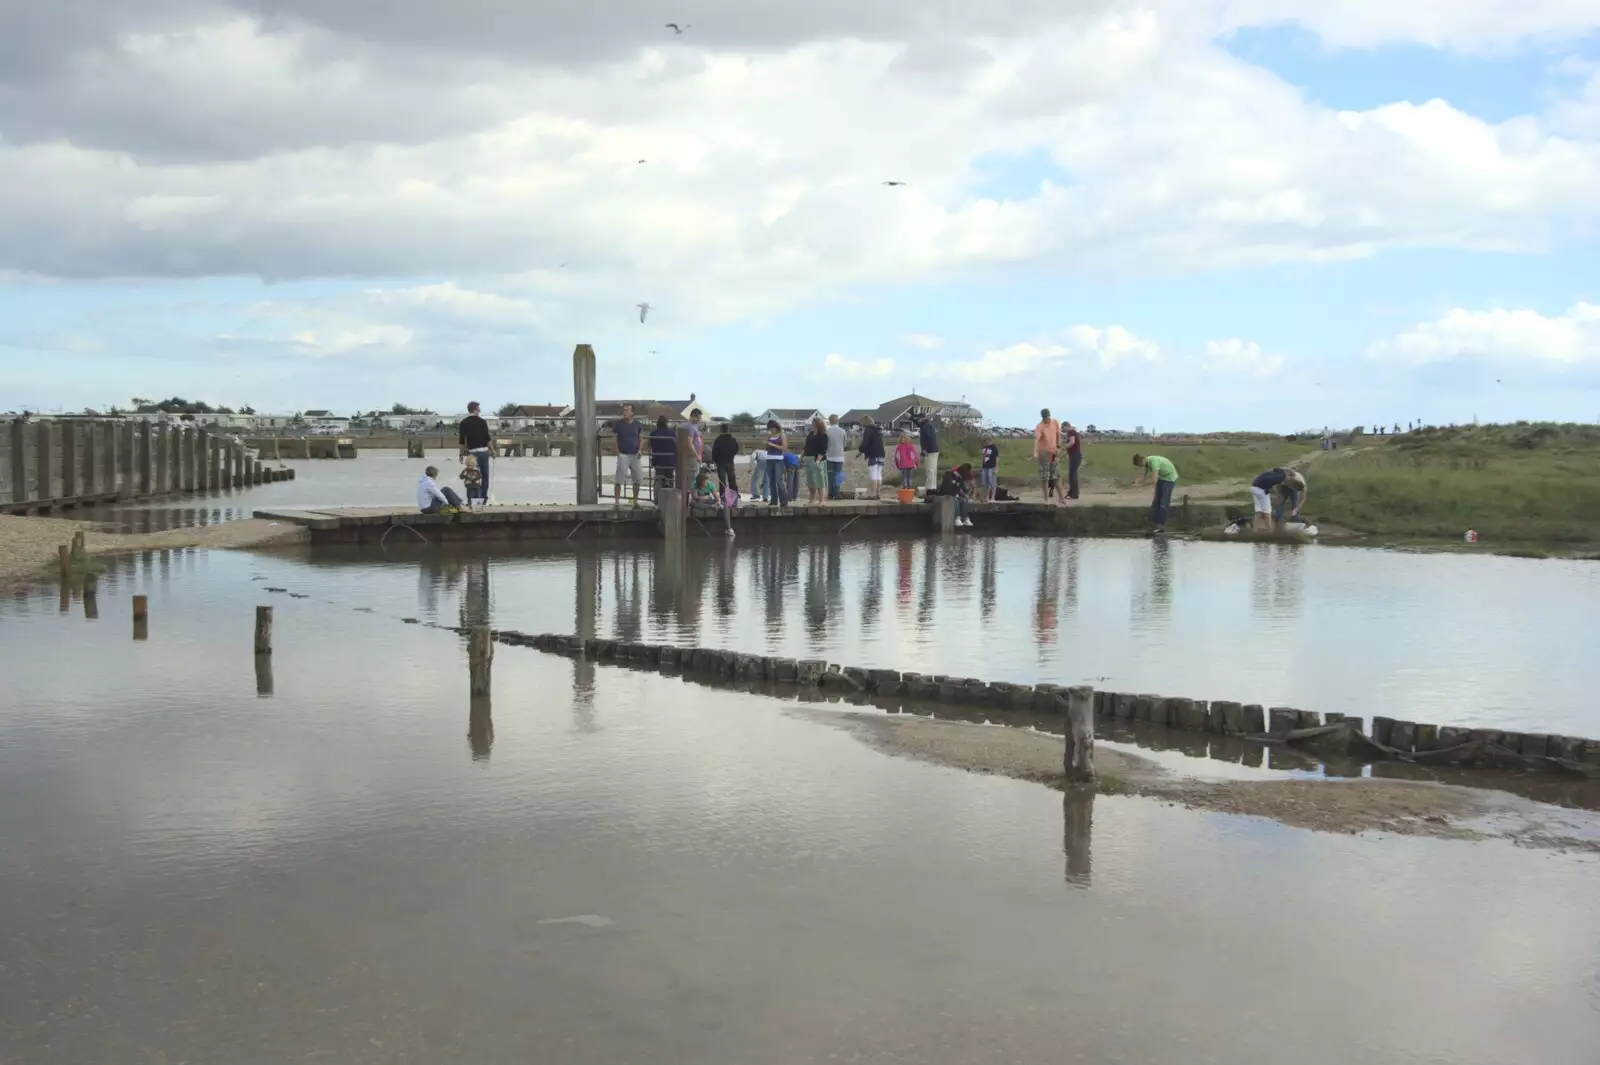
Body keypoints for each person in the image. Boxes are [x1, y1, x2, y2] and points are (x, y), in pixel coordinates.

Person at [457, 401, 496, 507]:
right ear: (474, 409)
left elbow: (461, 441)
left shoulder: (463, 423)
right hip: (483, 452)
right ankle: (482, 500)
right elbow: (487, 439)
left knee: (472, 477)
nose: (480, 411)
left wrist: (460, 454)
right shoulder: (482, 422)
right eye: (479, 409)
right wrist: (492, 451)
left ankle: (472, 501)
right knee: (484, 477)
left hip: (472, 454)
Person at [1132, 453, 1179, 534]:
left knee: (1163, 504)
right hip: (1162, 477)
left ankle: (1161, 527)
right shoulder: (1147, 462)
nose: (1141, 467)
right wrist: (1137, 481)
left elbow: (1154, 481)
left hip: (1169, 478)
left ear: (1142, 460)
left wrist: (1141, 485)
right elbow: (1144, 476)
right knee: (1156, 502)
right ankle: (1154, 524)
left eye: (1140, 465)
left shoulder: (1154, 462)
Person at [609, 403, 643, 507]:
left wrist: (640, 450)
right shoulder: (618, 424)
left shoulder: (638, 424)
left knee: (637, 479)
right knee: (619, 479)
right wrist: (617, 451)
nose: (624, 412)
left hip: (635, 454)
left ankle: (635, 501)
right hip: (623, 454)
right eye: (624, 410)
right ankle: (617, 501)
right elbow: (615, 438)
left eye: (627, 410)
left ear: (632, 413)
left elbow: (641, 438)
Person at [692, 468, 736, 537]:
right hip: (700, 500)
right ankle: (713, 506)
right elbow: (694, 497)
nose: (706, 483)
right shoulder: (695, 484)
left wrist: (718, 502)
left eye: (706, 482)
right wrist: (701, 497)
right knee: (694, 504)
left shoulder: (710, 484)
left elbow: (716, 497)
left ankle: (729, 528)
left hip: (709, 500)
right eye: (704, 482)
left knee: (724, 505)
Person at [935, 462, 976, 527]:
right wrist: (955, 493)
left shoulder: (961, 478)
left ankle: (965, 518)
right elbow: (947, 487)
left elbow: (959, 488)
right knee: (955, 500)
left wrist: (965, 495)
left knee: (963, 501)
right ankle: (957, 518)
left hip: (953, 494)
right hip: (945, 494)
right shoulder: (949, 474)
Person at [1033, 408, 1059, 503]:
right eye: (1045, 418)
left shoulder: (1055, 423)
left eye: (1048, 417)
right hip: (1044, 453)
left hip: (1053, 452)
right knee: (1045, 476)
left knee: (1055, 474)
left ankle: (1060, 497)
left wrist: (1058, 446)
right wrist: (1035, 452)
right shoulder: (1040, 427)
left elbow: (1057, 434)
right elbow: (1036, 439)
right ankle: (1046, 498)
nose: (1047, 419)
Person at [802, 416, 829, 503]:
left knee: (820, 480)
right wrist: (801, 458)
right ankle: (812, 499)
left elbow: (823, 450)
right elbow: (805, 447)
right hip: (808, 458)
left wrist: (818, 460)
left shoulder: (823, 435)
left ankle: (822, 500)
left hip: (817, 459)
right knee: (810, 481)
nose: (812, 425)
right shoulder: (810, 434)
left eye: (814, 423)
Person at [858, 414, 886, 499]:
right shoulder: (878, 429)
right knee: (878, 474)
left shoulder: (869, 429)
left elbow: (866, 442)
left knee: (873, 474)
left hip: (873, 454)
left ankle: (872, 494)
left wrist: (860, 450)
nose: (861, 425)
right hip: (881, 454)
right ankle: (878, 494)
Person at [763, 420, 788, 506]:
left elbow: (784, 448)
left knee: (778, 480)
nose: (772, 430)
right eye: (770, 428)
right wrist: (766, 444)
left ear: (776, 427)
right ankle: (773, 500)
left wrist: (772, 445)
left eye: (773, 428)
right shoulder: (770, 435)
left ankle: (784, 500)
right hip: (769, 459)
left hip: (778, 460)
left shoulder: (782, 435)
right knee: (771, 481)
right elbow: (768, 447)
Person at [648, 415, 678, 490]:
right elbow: (676, 445)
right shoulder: (671, 432)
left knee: (659, 477)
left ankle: (657, 496)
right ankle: (668, 496)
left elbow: (650, 445)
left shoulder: (653, 433)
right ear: (666, 423)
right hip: (669, 459)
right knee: (669, 477)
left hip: (657, 459)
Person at [711, 423, 741, 496]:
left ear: (721, 430)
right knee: (732, 479)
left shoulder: (718, 440)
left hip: (720, 462)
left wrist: (715, 460)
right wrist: (732, 455)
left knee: (722, 480)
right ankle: (734, 493)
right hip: (730, 461)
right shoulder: (733, 439)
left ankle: (723, 494)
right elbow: (737, 449)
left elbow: (714, 451)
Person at [914, 410, 940, 490]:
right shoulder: (925, 425)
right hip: (932, 450)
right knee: (931, 470)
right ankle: (931, 487)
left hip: (931, 451)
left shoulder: (927, 426)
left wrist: (925, 449)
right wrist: (911, 418)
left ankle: (930, 489)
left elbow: (930, 439)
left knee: (930, 470)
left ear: (922, 418)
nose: (918, 420)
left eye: (919, 418)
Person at [825, 413, 847, 500]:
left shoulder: (827, 431)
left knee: (830, 475)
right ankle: (837, 493)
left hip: (829, 456)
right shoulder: (842, 431)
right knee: (839, 475)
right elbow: (845, 443)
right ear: (837, 421)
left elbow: (825, 444)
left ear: (830, 421)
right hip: (840, 456)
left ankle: (830, 494)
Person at [1063, 421, 1083, 499]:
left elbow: (1072, 442)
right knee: (1072, 474)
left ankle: (1074, 493)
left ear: (1067, 426)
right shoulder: (1074, 432)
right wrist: (1066, 452)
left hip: (1075, 456)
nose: (1063, 430)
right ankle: (1073, 492)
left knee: (1072, 475)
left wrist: (1065, 447)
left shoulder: (1071, 432)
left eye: (1063, 427)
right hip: (1075, 455)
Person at [979, 436, 999, 502]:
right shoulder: (984, 448)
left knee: (992, 482)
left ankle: (993, 497)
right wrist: (981, 467)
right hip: (985, 467)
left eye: (986, 441)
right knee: (985, 483)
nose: (985, 443)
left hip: (991, 467)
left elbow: (997, 458)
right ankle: (987, 497)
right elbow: (983, 458)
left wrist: (996, 468)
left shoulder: (994, 447)